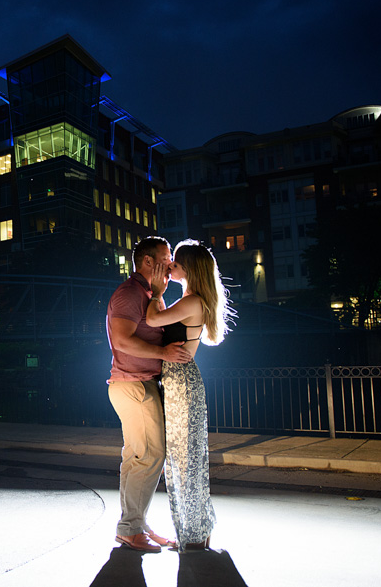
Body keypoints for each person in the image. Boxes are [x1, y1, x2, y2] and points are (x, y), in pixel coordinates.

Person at [106, 236, 193, 553]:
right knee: (152, 455)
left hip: (132, 384)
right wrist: (163, 353)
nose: (170, 264)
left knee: (134, 458)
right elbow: (123, 341)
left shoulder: (147, 294)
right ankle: (130, 528)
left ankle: (135, 524)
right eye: (166, 258)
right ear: (147, 262)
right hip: (135, 385)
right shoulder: (130, 293)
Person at [145, 239, 233, 553]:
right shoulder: (189, 298)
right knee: (187, 461)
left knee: (186, 462)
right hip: (179, 383)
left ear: (189, 269)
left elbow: (154, 320)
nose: (170, 267)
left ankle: (195, 535)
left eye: (175, 264)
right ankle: (197, 532)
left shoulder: (193, 301)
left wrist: (156, 292)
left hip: (181, 384)